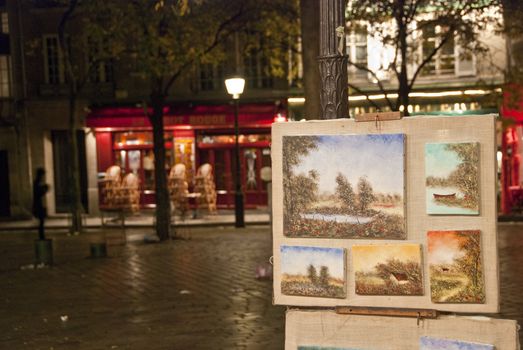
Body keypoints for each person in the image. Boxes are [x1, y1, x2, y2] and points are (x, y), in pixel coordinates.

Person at [32, 168, 49, 240]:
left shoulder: (38, 182)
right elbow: (38, 194)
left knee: (42, 221)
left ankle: (42, 236)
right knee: (41, 221)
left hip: (40, 204)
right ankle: (41, 237)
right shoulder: (37, 182)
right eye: (43, 175)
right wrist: (45, 189)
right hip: (38, 205)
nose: (43, 176)